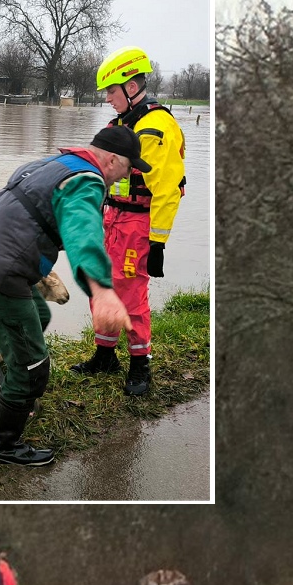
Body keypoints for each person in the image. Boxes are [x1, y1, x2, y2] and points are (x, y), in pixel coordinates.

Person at [0, 127, 143, 466]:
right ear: (114, 160)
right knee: (32, 365)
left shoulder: (57, 163)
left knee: (35, 316)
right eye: (131, 168)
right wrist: (102, 290)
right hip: (0, 270)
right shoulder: (87, 179)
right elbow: (83, 232)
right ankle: (4, 446)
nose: (129, 175)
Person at [70, 46, 187, 397]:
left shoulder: (156, 126)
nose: (107, 98)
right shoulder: (117, 125)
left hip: (139, 222)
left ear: (131, 87)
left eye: (111, 91)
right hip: (111, 218)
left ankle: (140, 365)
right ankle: (105, 356)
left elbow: (166, 189)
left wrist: (158, 243)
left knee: (131, 295)